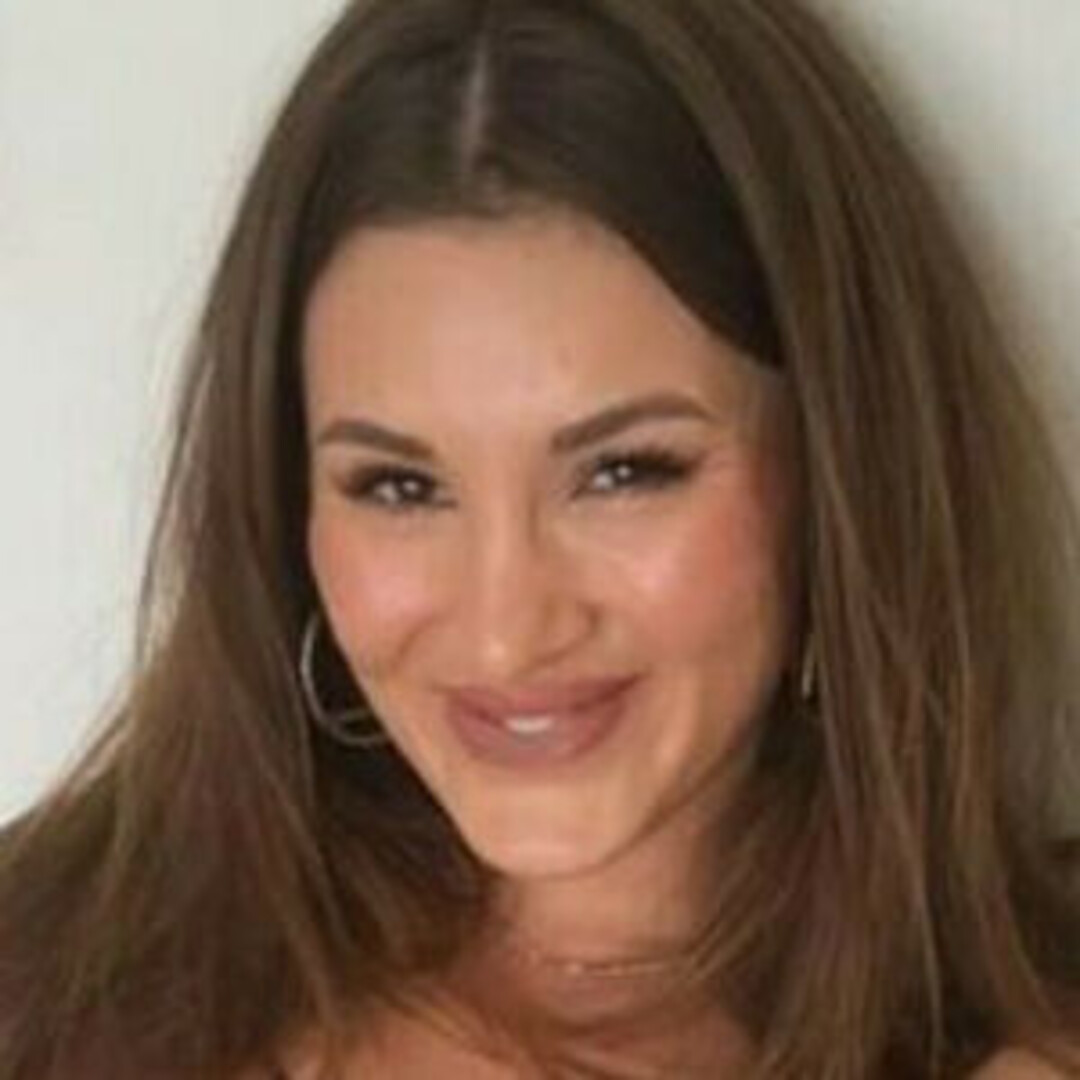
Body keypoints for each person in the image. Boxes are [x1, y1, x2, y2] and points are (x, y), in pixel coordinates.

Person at [1, 0, 1078, 1076]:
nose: (507, 631)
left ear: (840, 466)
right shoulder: (44, 982)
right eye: (399, 486)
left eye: (624, 472)